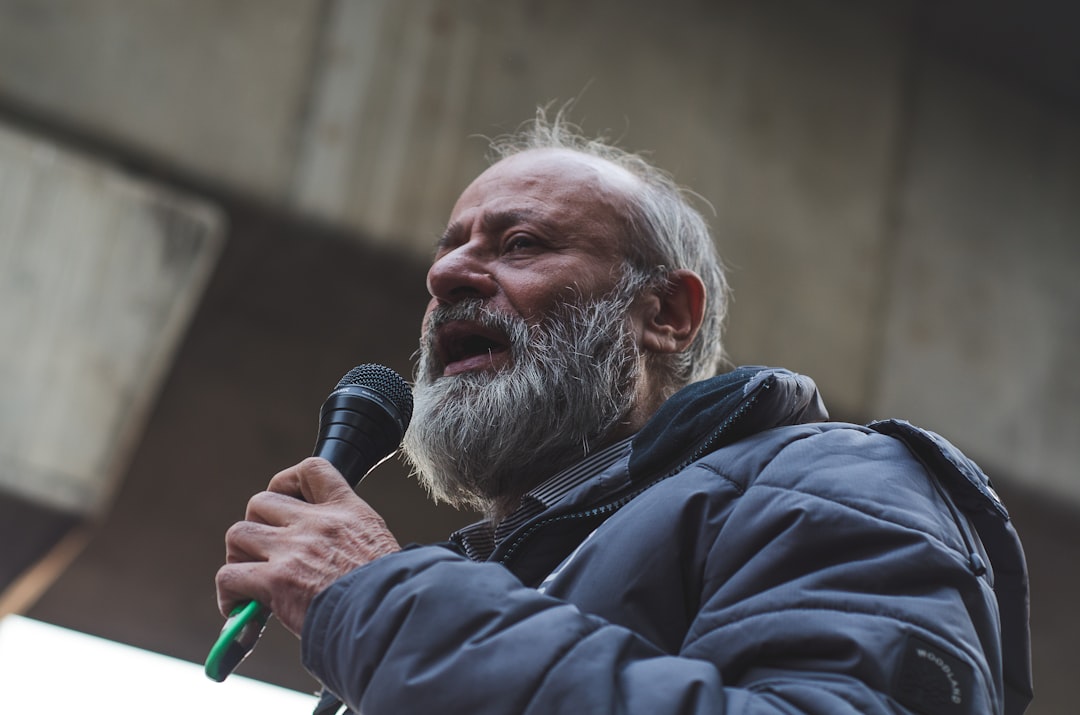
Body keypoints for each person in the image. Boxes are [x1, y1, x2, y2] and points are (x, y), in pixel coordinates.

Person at [215, 113, 1033, 715]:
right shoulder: (482, 585)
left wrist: (380, 602)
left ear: (667, 313)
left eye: (522, 243)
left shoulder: (831, 482)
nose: (449, 276)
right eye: (449, 248)